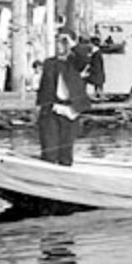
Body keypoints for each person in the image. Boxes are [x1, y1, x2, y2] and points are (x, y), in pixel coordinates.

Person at [36, 29, 90, 165]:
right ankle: (46, 174)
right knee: (49, 149)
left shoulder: (75, 63)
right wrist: (39, 107)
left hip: (70, 110)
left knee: (65, 151)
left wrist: (72, 44)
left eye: (63, 41)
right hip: (52, 109)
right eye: (57, 41)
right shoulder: (49, 63)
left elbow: (84, 58)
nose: (59, 44)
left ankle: (64, 174)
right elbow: (44, 87)